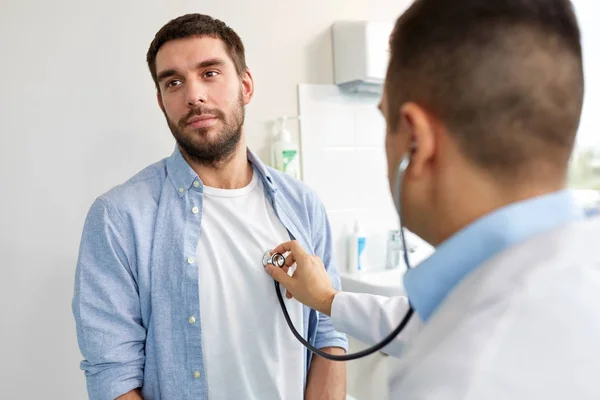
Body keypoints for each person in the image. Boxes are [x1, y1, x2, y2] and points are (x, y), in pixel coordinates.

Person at [265, 0, 600, 398]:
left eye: (383, 119)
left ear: (416, 141)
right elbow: (430, 320)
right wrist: (326, 299)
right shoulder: (570, 260)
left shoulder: (460, 375)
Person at [72, 13, 348, 400]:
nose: (193, 95)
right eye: (173, 82)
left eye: (210, 73)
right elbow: (112, 375)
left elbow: (329, 336)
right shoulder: (119, 218)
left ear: (246, 85)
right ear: (161, 101)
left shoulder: (302, 205)